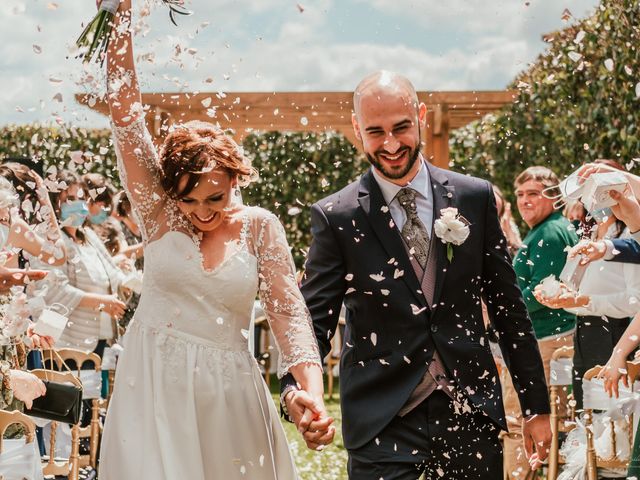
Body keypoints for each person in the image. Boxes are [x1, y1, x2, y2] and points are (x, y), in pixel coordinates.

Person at [97, 1, 329, 478]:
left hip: (231, 394)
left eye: (215, 198)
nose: (202, 212)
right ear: (171, 190)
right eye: (189, 200)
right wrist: (117, 15)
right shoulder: (157, 212)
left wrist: (313, 392)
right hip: (154, 386)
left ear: (234, 178)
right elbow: (126, 113)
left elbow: (289, 314)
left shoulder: (262, 226)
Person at [281, 71, 550, 479]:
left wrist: (535, 406)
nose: (390, 145)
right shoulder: (336, 217)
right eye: (375, 132)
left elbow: (507, 308)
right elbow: (311, 322)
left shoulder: (473, 197)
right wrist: (292, 390)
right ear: (357, 129)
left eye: (401, 128)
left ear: (420, 115)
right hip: (382, 418)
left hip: (469, 411)